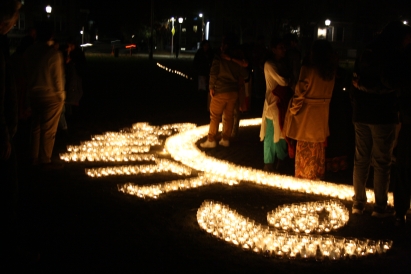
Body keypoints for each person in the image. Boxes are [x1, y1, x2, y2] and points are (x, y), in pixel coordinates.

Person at [350, 21, 405, 217]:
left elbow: (356, 79)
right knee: (381, 161)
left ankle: (358, 202)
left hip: (361, 112)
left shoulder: (367, 50)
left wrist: (360, 90)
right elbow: (390, 82)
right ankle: (380, 206)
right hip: (382, 113)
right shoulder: (393, 55)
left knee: (361, 159)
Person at [283, 40, 337, 180]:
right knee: (317, 148)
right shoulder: (330, 72)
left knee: (305, 148)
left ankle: (304, 176)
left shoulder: (308, 69)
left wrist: (293, 110)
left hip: (307, 117)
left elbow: (299, 92)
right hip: (321, 117)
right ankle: (317, 175)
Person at [24, 21, 65, 169]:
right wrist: (61, 97)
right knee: (48, 130)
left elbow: (27, 74)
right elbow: (57, 78)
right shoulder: (52, 54)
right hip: (51, 97)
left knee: (36, 127)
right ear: (51, 35)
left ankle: (33, 157)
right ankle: (45, 159)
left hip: (34, 94)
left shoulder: (29, 51)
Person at [0, 0, 21, 260]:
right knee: (7, 192)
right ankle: (9, 249)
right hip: (1, 134)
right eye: (15, 20)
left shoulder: (3, 44)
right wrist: (4, 132)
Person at [200, 33, 248, 148]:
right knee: (228, 116)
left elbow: (213, 73)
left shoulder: (220, 57)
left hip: (220, 90)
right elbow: (245, 74)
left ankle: (211, 140)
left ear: (225, 45)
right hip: (233, 92)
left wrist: (211, 87)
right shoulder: (238, 59)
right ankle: (225, 139)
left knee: (215, 116)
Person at [259, 38, 291, 172]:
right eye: (280, 47)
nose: (284, 50)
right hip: (272, 104)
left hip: (281, 103)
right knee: (271, 133)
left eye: (284, 47)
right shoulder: (270, 65)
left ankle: (280, 159)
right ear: (273, 50)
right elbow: (284, 81)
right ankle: (269, 162)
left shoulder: (282, 64)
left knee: (281, 133)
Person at [392, 24, 411, 225]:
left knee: (404, 166)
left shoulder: (404, 57)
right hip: (407, 117)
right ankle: (400, 210)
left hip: (408, 118)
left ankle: (400, 210)